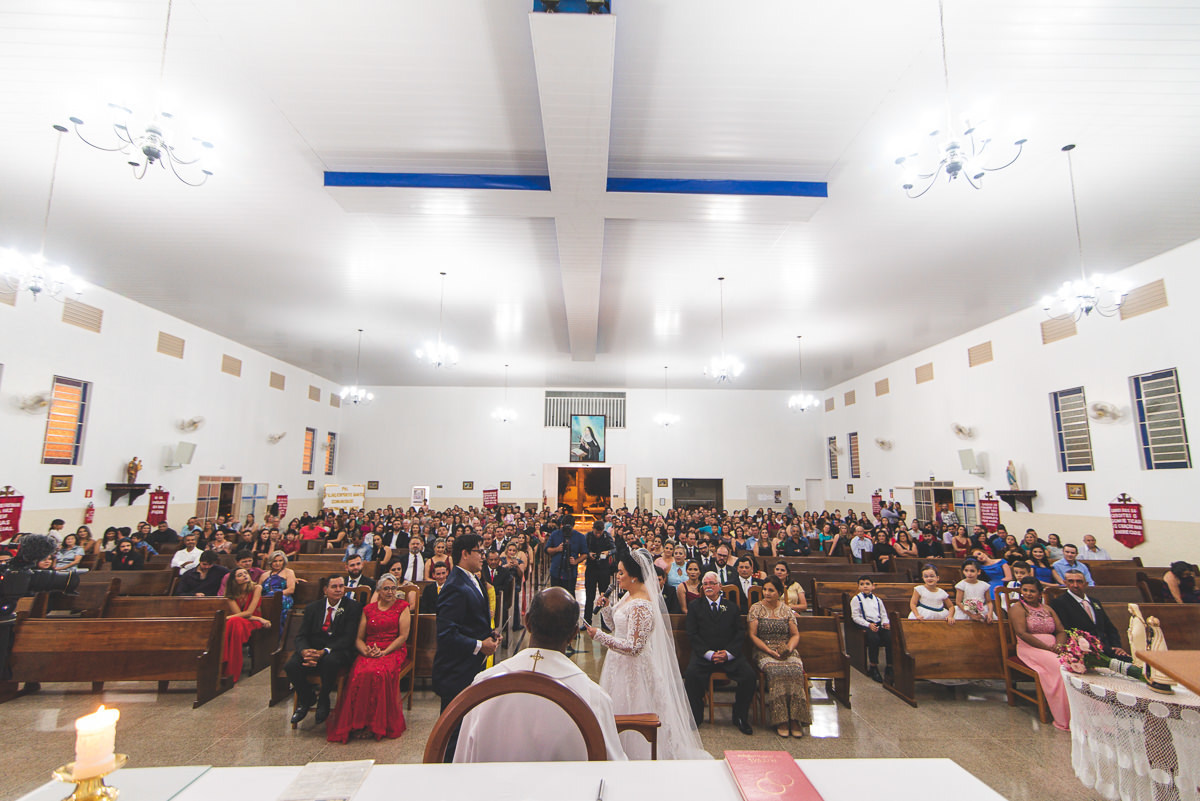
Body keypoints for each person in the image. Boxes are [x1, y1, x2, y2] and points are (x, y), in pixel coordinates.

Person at [455, 587, 627, 762]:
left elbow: (462, 761)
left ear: (527, 622)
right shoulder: (594, 697)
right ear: (574, 634)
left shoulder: (484, 684)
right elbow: (613, 766)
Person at [588, 551, 712, 757]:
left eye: (621, 573)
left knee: (633, 709)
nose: (617, 577)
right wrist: (607, 609)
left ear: (634, 575)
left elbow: (635, 647)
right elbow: (616, 628)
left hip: (634, 668)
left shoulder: (642, 604)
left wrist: (599, 636)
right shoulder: (629, 595)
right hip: (617, 663)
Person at [326, 573, 411, 743]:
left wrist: (384, 652)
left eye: (393, 588)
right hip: (370, 649)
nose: (390, 592)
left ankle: (376, 724)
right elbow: (358, 638)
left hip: (392, 649)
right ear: (378, 591)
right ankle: (358, 723)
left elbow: (403, 636)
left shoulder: (403, 606)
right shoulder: (368, 609)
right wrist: (365, 651)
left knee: (379, 673)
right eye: (386, 589)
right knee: (360, 672)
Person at [682, 570, 758, 737]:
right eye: (705, 584)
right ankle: (696, 716)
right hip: (704, 655)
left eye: (711, 583)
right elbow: (692, 634)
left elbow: (739, 633)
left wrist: (728, 653)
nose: (708, 587)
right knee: (692, 675)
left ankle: (740, 717)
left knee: (749, 676)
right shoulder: (695, 607)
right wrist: (708, 654)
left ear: (719, 586)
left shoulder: (732, 607)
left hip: (729, 655)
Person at [433, 534, 499, 719]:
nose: (483, 556)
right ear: (465, 553)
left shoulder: (473, 579)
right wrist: (480, 645)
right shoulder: (454, 586)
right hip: (456, 672)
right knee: (452, 731)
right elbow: (446, 634)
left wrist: (490, 634)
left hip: (470, 668)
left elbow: (470, 620)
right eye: (480, 551)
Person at [286, 576, 363, 725]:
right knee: (291, 666)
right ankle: (306, 698)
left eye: (341, 586)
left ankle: (323, 699)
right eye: (334, 587)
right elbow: (301, 636)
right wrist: (305, 652)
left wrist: (325, 651)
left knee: (330, 661)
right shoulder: (312, 608)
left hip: (338, 650)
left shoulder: (353, 608)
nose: (339, 590)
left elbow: (348, 638)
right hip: (312, 648)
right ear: (325, 590)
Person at [748, 576, 811, 738]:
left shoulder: (786, 610)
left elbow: (795, 634)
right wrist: (769, 651)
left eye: (771, 590)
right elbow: (753, 636)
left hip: (785, 648)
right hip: (763, 649)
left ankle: (796, 718)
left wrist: (789, 648)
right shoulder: (756, 608)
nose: (767, 593)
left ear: (779, 592)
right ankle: (781, 718)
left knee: (796, 670)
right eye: (765, 590)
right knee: (776, 672)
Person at [1007, 577, 1071, 731]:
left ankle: (1078, 713)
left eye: (1032, 591)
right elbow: (1022, 633)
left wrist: (1059, 645)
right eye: (1025, 590)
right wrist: (1047, 648)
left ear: (1040, 593)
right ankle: (1064, 717)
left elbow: (1061, 630)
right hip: (1031, 648)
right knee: (1060, 666)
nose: (1028, 594)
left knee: (1074, 665)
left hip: (1053, 648)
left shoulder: (1047, 609)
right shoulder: (1018, 608)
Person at [1050, 570, 1130, 659]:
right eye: (1071, 581)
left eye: (1079, 581)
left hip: (1106, 648)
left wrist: (1117, 646)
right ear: (1065, 583)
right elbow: (1064, 630)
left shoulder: (1095, 602)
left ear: (1086, 583)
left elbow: (1109, 627)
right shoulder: (1059, 603)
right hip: (1082, 651)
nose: (1075, 585)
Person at [223, 567, 268, 682]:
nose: (244, 575)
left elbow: (248, 612)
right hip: (242, 621)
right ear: (234, 580)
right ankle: (231, 667)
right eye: (240, 575)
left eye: (245, 573)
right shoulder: (230, 595)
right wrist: (259, 618)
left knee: (232, 622)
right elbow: (239, 615)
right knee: (234, 623)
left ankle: (228, 665)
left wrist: (227, 617)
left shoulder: (257, 588)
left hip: (253, 623)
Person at [849, 576, 892, 682]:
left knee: (890, 637)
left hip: (878, 624)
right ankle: (873, 666)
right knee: (874, 639)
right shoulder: (856, 599)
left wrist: (885, 623)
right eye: (862, 584)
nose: (865, 586)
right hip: (865, 624)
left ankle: (890, 665)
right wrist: (868, 624)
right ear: (858, 587)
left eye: (867, 584)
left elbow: (883, 614)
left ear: (873, 586)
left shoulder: (878, 600)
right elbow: (855, 617)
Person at [584, 520, 614, 625]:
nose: (597, 534)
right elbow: (582, 549)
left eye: (599, 533)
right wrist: (588, 554)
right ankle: (587, 622)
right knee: (589, 596)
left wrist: (608, 552)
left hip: (603, 569)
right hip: (591, 568)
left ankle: (604, 622)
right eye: (596, 532)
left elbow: (614, 549)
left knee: (604, 596)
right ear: (593, 529)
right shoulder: (588, 536)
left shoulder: (607, 536)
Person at [259, 550, 297, 630]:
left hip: (283, 597)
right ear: (270, 562)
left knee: (280, 601)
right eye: (275, 561)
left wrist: (275, 595)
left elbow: (290, 590)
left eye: (280, 561)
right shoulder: (264, 575)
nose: (277, 563)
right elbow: (258, 591)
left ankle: (279, 631)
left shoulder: (289, 572)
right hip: (266, 598)